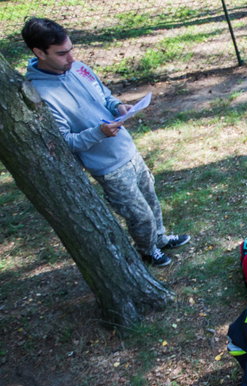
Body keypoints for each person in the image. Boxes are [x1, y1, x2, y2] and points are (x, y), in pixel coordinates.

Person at [22, 18, 189, 267]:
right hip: (108, 167)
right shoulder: (40, 94)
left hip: (128, 150)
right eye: (62, 54)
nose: (71, 58)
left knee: (151, 199)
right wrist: (99, 132)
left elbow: (105, 96)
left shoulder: (79, 67)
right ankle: (148, 249)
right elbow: (65, 142)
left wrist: (118, 106)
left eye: (71, 50)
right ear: (39, 53)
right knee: (139, 215)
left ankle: (161, 238)